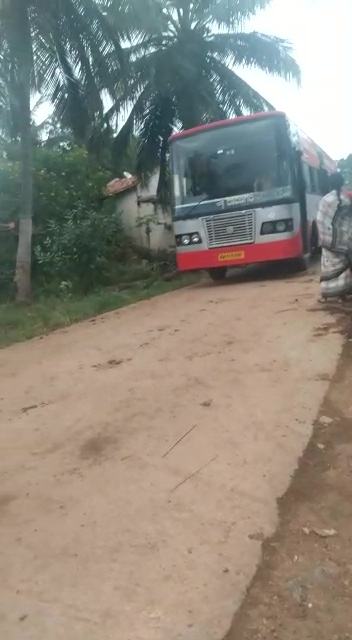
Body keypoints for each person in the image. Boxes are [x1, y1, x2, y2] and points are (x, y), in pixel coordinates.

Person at [317, 172, 352, 303]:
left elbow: (321, 221)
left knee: (329, 268)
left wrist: (326, 238)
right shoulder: (346, 199)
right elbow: (348, 221)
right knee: (344, 268)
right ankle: (343, 294)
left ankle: (327, 294)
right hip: (345, 241)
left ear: (330, 183)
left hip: (329, 241)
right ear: (342, 183)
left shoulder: (325, 200)